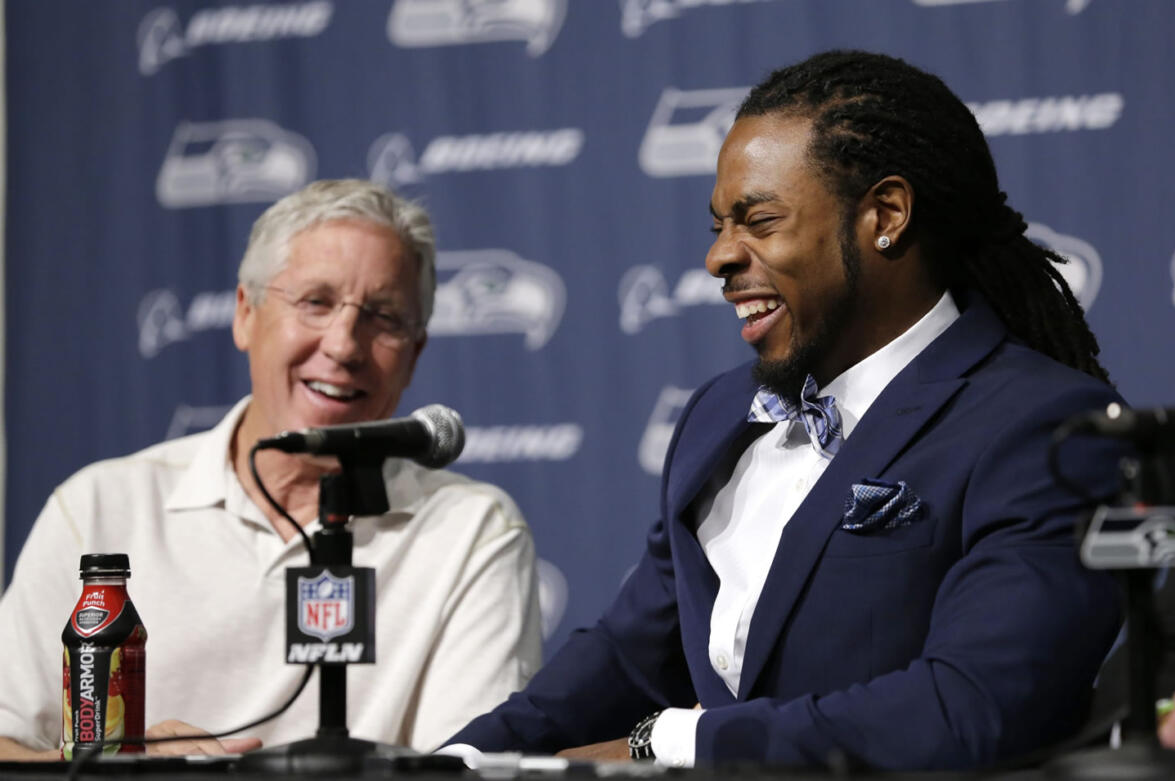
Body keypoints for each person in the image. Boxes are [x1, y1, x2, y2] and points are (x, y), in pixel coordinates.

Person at [446, 50, 1126, 770]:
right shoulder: (717, 415)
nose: (719, 258)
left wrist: (677, 741)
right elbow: (628, 656)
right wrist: (454, 760)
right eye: (718, 226)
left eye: (759, 221)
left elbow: (974, 709)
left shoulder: (1047, 426)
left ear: (885, 215)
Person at [0, 179, 541, 759]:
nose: (344, 345)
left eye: (383, 316)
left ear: (414, 355)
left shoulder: (470, 531)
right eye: (315, 302)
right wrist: (113, 769)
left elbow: (468, 767)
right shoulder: (99, 509)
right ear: (245, 315)